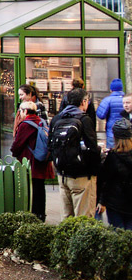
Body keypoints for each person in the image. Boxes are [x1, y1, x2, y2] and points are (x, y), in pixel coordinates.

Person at [49, 87, 102, 218]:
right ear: (83, 101)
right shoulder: (84, 119)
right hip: (82, 175)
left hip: (62, 174)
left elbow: (50, 145)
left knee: (66, 217)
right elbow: (92, 148)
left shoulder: (56, 119)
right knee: (83, 218)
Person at [12, 101, 54, 221]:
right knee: (40, 188)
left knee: (33, 189)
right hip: (42, 160)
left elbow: (18, 144)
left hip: (31, 161)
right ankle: (41, 214)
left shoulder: (25, 125)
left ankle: (35, 214)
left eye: (20, 111)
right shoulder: (41, 121)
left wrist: (14, 153)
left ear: (25, 111)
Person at [97, 118, 132, 229]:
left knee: (117, 237)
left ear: (115, 137)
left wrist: (101, 202)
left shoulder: (112, 157)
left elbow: (105, 181)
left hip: (115, 203)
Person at [96, 79, 126, 148]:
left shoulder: (108, 100)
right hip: (126, 133)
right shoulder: (127, 99)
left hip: (112, 133)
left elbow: (101, 115)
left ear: (111, 90)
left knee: (112, 154)